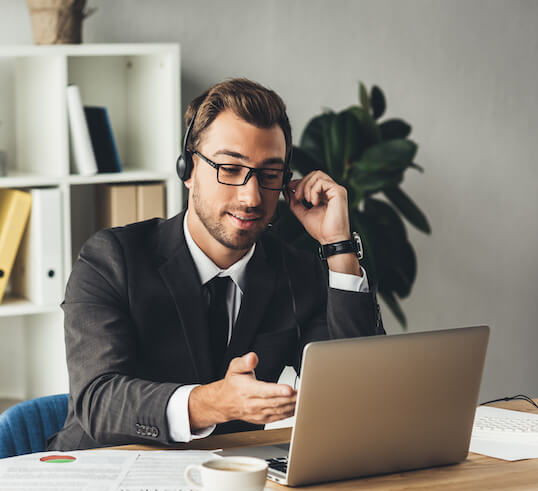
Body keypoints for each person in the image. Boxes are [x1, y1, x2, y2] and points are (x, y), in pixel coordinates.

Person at [48, 78, 384, 451]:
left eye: (270, 175)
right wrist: (212, 403)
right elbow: (98, 402)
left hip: (229, 486)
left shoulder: (296, 271)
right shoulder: (111, 259)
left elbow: (357, 395)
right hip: (101, 479)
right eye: (230, 168)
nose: (251, 196)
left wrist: (338, 246)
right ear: (188, 169)